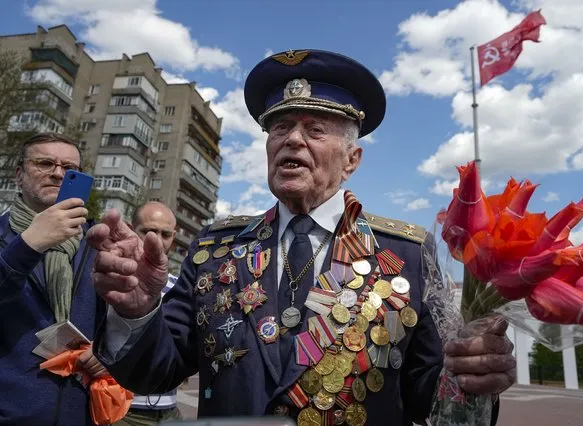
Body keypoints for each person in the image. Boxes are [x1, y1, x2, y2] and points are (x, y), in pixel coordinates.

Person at [88, 50, 516, 425]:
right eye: (280, 128)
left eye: (314, 129)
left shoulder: (404, 252)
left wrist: (472, 376)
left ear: (352, 160)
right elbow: (156, 371)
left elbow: (428, 397)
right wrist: (138, 312)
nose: (292, 138)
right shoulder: (216, 248)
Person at [0, 132, 106, 425]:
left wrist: (108, 351)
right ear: (19, 175)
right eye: (44, 163)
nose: (58, 173)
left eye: (70, 169)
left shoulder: (96, 240)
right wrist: (28, 244)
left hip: (81, 412)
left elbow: (117, 317)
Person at [114, 201, 182, 425]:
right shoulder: (111, 279)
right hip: (120, 409)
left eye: (165, 234)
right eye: (148, 231)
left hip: (169, 411)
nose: (156, 241)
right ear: (131, 228)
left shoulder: (179, 287)